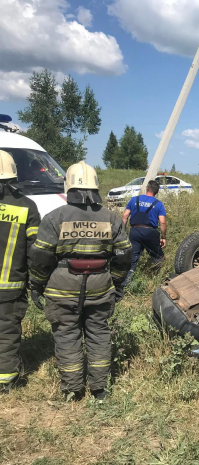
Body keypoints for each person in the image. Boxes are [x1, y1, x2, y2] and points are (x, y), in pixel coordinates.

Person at [30, 161, 131, 401]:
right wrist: (115, 284)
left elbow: (42, 258)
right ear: (96, 188)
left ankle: (73, 390)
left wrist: (37, 285)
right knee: (99, 334)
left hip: (62, 289)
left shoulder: (54, 218)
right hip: (100, 289)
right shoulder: (111, 218)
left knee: (66, 336)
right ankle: (100, 390)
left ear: (68, 187)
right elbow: (124, 257)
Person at [0, 150, 40, 391]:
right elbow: (35, 252)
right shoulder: (26, 206)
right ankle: (5, 380)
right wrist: (37, 282)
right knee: (6, 331)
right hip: (9, 287)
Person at [121, 180, 167, 283]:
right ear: (157, 192)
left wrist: (122, 232)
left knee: (132, 258)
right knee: (159, 258)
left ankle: (125, 283)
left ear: (147, 188)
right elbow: (162, 222)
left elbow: (124, 216)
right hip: (150, 233)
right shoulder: (158, 204)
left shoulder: (134, 200)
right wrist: (163, 237)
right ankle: (162, 280)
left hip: (135, 232)